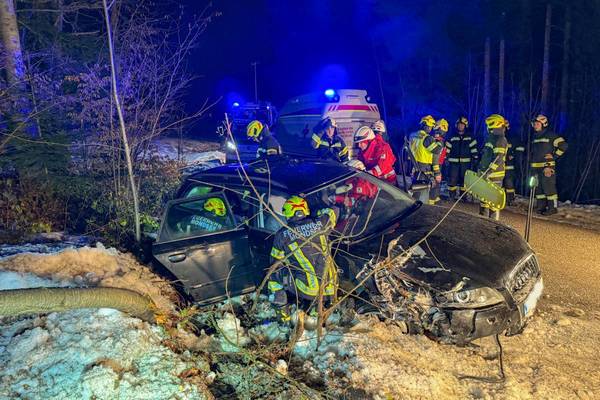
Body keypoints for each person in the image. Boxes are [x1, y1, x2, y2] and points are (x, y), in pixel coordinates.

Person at [268, 196, 338, 316]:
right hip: (331, 286)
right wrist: (316, 213)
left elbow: (275, 264)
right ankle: (318, 308)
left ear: (287, 213)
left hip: (307, 289)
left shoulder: (282, 234)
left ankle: (283, 313)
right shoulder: (321, 223)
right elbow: (334, 211)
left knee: (274, 273)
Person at [530, 114, 568, 215]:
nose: (535, 125)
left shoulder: (551, 135)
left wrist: (554, 156)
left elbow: (564, 145)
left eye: (537, 123)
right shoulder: (534, 136)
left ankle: (552, 208)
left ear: (544, 124)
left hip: (547, 167)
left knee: (549, 188)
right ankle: (541, 207)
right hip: (535, 167)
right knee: (538, 189)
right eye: (534, 124)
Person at [478, 114, 509, 219]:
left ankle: (493, 223)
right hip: (486, 173)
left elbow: (498, 158)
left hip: (495, 175)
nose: (488, 127)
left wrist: (489, 171)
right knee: (484, 200)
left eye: (489, 125)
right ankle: (483, 221)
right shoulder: (492, 138)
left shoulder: (500, 139)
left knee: (493, 202)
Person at [408, 115, 443, 204]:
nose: (430, 129)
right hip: (424, 167)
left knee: (415, 187)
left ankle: (412, 203)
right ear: (426, 126)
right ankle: (423, 206)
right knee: (425, 188)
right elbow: (437, 150)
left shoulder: (413, 135)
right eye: (430, 127)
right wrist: (439, 141)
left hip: (414, 165)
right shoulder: (427, 138)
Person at [445, 116, 478, 200]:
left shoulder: (470, 137)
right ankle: (451, 196)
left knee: (464, 180)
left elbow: (474, 149)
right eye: (459, 125)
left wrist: (475, 158)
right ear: (456, 125)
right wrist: (445, 158)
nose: (460, 126)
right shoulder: (452, 136)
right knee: (452, 179)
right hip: (453, 163)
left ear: (465, 126)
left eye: (462, 125)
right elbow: (447, 148)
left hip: (466, 164)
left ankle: (463, 197)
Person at [503, 120, 525, 206]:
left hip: (509, 166)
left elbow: (520, 151)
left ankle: (510, 199)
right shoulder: (496, 138)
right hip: (498, 166)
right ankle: (500, 199)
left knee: (509, 184)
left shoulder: (513, 138)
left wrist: (513, 155)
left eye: (503, 127)